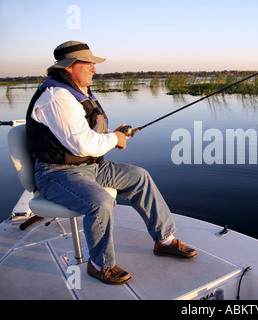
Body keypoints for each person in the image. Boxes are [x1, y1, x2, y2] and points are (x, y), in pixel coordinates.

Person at [26, 41, 196, 285]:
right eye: (88, 63)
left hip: (90, 167)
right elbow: (81, 145)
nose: (94, 68)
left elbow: (87, 136)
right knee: (101, 201)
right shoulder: (57, 97)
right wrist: (114, 138)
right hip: (56, 174)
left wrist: (113, 135)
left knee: (139, 176)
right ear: (69, 67)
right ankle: (99, 265)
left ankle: (165, 241)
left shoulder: (78, 92)